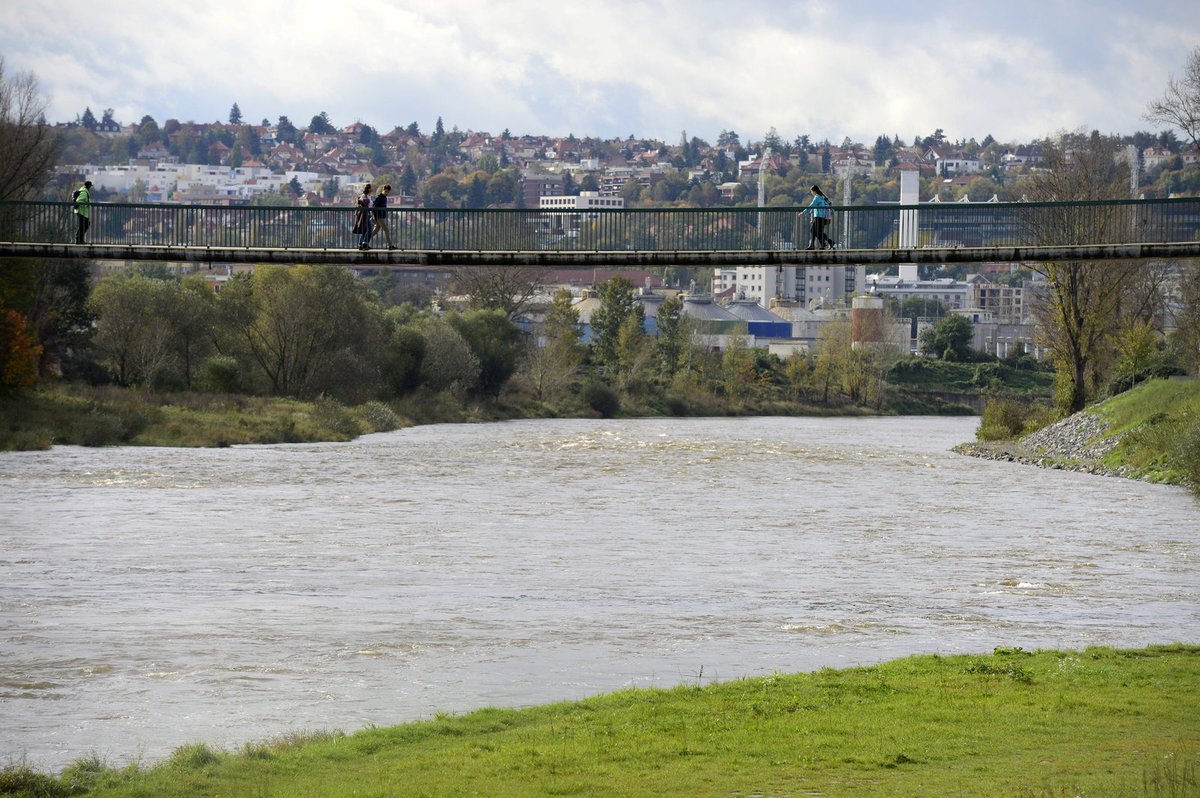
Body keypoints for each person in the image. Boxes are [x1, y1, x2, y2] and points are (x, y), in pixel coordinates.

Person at [800, 184, 835, 250]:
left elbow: (811, 206)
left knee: (815, 231)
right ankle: (822, 244)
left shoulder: (817, 198)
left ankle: (827, 242)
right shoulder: (822, 197)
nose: (811, 193)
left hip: (819, 216)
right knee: (816, 231)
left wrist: (803, 212)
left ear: (814, 191)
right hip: (822, 216)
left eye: (811, 191)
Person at [372, 184, 395, 250]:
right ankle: (390, 245)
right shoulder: (379, 198)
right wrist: (375, 218)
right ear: (383, 190)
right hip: (379, 217)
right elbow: (374, 208)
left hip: (382, 216)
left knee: (376, 230)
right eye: (385, 191)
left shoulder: (385, 197)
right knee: (386, 229)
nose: (386, 193)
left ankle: (365, 241)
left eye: (388, 192)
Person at [354, 183, 373, 250]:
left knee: (365, 230)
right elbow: (361, 204)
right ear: (368, 189)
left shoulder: (368, 196)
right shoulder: (364, 196)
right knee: (370, 230)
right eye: (371, 187)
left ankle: (360, 244)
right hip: (365, 215)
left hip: (367, 214)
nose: (372, 188)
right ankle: (365, 243)